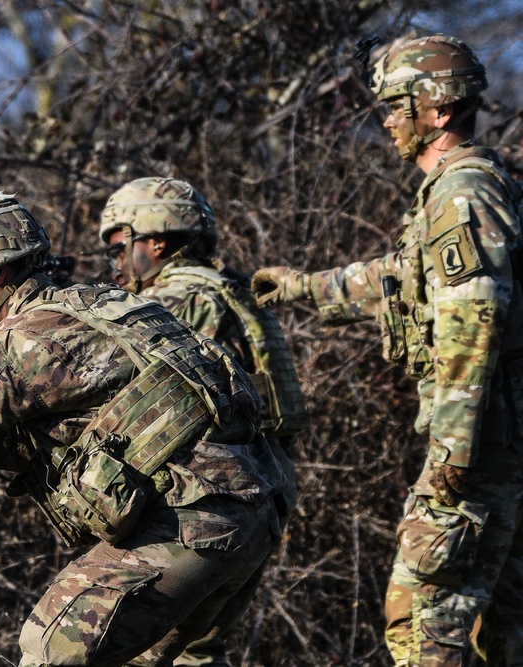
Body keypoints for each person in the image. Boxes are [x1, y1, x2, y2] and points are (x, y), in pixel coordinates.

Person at [0, 191, 287, 666]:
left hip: (188, 525)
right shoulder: (106, 302)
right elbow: (71, 432)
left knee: (48, 651)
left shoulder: (25, 337)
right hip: (257, 508)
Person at [251, 34, 523, 666]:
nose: (388, 119)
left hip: (480, 450)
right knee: (494, 629)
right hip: (496, 442)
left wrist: (452, 447)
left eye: (398, 104)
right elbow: (402, 281)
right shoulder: (466, 191)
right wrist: (300, 287)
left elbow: (474, 316)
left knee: (422, 617)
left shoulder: (463, 193)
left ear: (441, 109)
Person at [99, 177, 306, 666]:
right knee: (198, 652)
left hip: (205, 500)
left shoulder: (179, 300)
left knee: (139, 650)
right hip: (266, 488)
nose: (116, 262)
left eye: (119, 246)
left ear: (156, 241)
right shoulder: (231, 289)